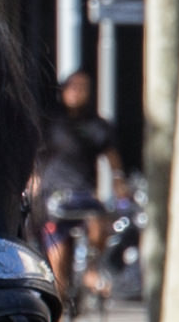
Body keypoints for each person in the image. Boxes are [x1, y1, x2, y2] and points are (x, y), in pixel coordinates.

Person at [34, 69, 117, 304]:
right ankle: (58, 313)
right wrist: (32, 180)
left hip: (84, 193)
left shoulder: (97, 125)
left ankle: (91, 269)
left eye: (83, 88)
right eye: (73, 87)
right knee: (57, 258)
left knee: (100, 223)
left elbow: (111, 156)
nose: (77, 93)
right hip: (54, 196)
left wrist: (119, 181)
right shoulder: (49, 122)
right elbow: (33, 154)